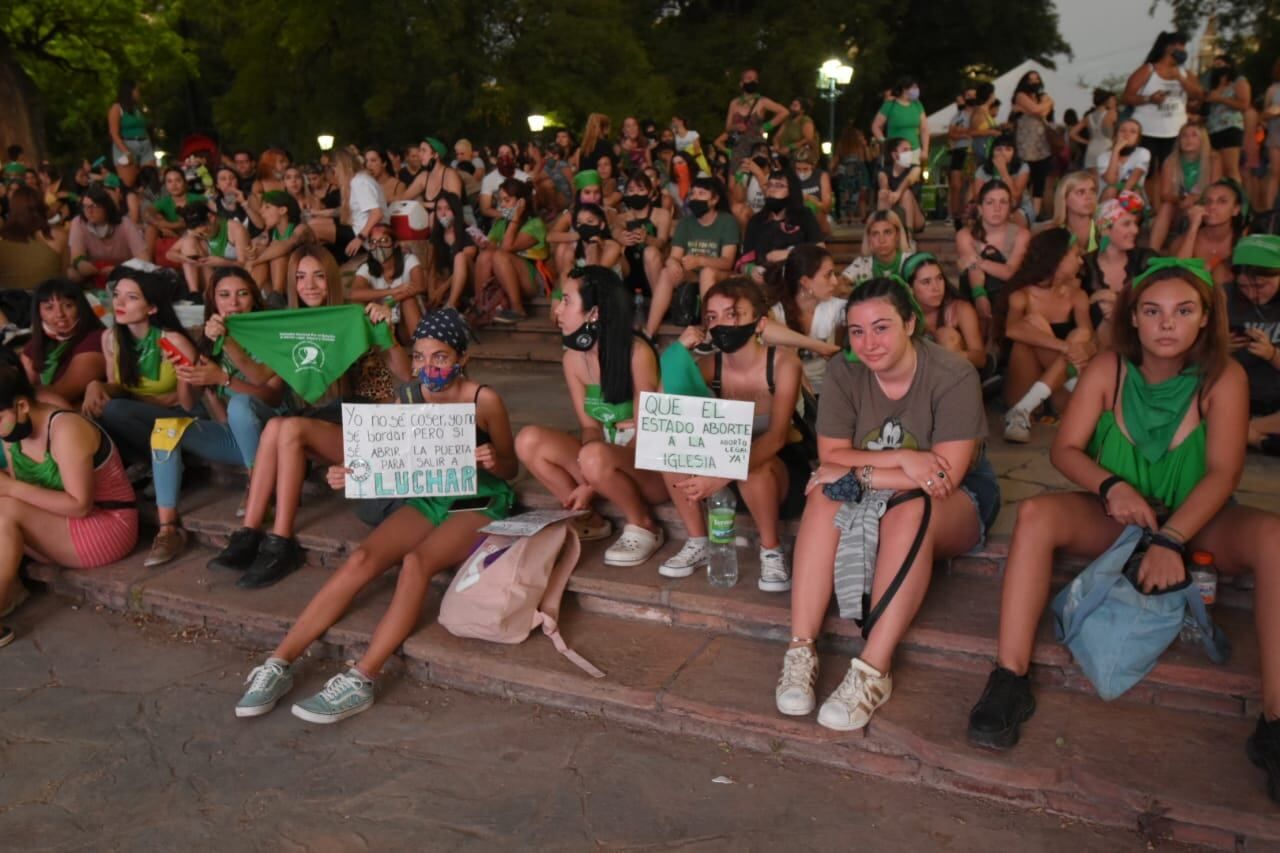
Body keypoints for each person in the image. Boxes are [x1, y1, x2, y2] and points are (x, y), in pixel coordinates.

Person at [964, 258, 1280, 807]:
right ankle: (1009, 677)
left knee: (1274, 538)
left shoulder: (1223, 376)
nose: (1167, 324)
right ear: (1132, 317)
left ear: (1205, 318)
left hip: (1195, 517)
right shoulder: (1108, 368)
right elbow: (1065, 448)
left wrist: (1171, 538)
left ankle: (1276, 720)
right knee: (1036, 516)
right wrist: (1111, 486)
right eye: (1152, 311)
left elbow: (1225, 471)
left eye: (1184, 311)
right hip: (1116, 514)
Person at [232, 308, 519, 724]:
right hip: (432, 496)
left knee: (417, 564)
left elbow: (511, 468)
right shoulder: (407, 397)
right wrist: (351, 475)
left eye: (439, 358)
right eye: (419, 357)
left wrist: (494, 459)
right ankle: (279, 661)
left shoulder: (483, 399)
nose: (427, 367)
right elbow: (391, 462)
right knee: (361, 559)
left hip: (478, 500)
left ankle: (362, 677)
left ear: (461, 359)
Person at [778, 276, 998, 730]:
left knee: (910, 503)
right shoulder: (845, 369)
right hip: (887, 483)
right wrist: (902, 458)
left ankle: (874, 670)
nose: (868, 343)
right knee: (824, 493)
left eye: (881, 327)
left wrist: (863, 471)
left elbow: (942, 476)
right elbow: (831, 458)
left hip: (957, 500)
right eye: (857, 332)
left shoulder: (952, 374)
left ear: (910, 323)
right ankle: (800, 650)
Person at [205, 246, 407, 588]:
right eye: (300, 277)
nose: (309, 285)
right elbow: (258, 375)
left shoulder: (356, 315)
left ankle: (282, 541)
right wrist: (226, 341)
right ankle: (249, 532)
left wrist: (387, 333)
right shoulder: (295, 325)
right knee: (278, 426)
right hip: (331, 418)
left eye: (317, 276)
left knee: (291, 427)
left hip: (375, 423)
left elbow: (406, 375)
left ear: (331, 279)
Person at [659, 278, 804, 590]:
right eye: (712, 317)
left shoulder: (782, 363)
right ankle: (698, 541)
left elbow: (777, 437)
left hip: (774, 472)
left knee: (757, 469)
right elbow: (666, 414)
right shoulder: (709, 367)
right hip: (720, 476)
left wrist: (722, 474)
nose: (721, 323)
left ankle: (771, 550)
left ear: (760, 322)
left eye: (733, 314)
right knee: (671, 452)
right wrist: (678, 352)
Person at [516, 267, 668, 564]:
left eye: (567, 301)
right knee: (528, 440)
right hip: (602, 460)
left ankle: (644, 524)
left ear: (593, 312)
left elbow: (648, 434)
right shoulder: (572, 359)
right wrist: (589, 471)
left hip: (648, 466)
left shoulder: (637, 353)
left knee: (595, 456)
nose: (558, 310)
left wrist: (590, 479)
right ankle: (590, 520)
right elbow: (590, 428)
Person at [144, 268, 286, 566]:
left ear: (254, 299)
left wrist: (223, 379)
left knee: (240, 405)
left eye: (242, 294)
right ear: (213, 302)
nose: (233, 303)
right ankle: (169, 527)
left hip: (273, 435)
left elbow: (273, 396)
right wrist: (187, 369)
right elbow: (186, 402)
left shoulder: (271, 333)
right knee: (166, 428)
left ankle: (256, 486)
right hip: (235, 437)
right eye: (224, 295)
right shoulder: (209, 338)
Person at [0, 363, 138, 636]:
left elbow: (79, 505)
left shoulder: (65, 429)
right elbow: (26, 491)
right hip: (61, 527)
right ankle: (10, 588)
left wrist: (10, 488)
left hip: (106, 526)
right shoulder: (12, 430)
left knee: (6, 507)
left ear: (23, 407)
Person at [80, 267, 200, 464]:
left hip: (178, 416)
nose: (119, 302)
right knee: (92, 412)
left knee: (115, 410)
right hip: (137, 412)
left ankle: (173, 462)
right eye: (117, 295)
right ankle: (137, 466)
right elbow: (116, 388)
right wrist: (95, 385)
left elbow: (193, 401)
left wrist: (138, 401)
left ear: (152, 307)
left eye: (132, 297)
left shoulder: (173, 341)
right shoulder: (110, 338)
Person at [1001, 229, 1095, 443]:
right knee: (1032, 326)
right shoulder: (1022, 295)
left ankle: (1022, 410)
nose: (1081, 262)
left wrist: (1082, 347)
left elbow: (1092, 341)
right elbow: (1012, 330)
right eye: (1076, 256)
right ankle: (1024, 408)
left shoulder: (1077, 296)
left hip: (1063, 390)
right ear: (1058, 259)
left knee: (1080, 333)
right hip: (1024, 383)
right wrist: (1063, 347)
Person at [645, 176, 739, 338]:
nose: (695, 198)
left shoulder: (727, 221)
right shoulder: (686, 223)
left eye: (701, 194)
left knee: (707, 272)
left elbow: (727, 262)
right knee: (666, 273)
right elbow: (674, 256)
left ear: (714, 199)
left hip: (719, 273)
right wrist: (673, 263)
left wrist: (700, 260)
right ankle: (649, 333)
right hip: (692, 273)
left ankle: (711, 334)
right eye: (693, 194)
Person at [1123, 31, 1202, 210]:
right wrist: (1149, 99)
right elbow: (1126, 96)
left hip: (1175, 131)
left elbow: (1198, 94)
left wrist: (1180, 78)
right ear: (1167, 47)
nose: (1182, 50)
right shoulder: (1148, 70)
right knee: (1149, 172)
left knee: (1171, 172)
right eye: (1178, 45)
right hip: (1148, 129)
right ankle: (1153, 209)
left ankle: (1169, 209)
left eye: (1183, 46)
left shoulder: (1184, 73)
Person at [1224, 235, 1280, 450]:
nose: (1252, 294)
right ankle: (1256, 438)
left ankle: (1244, 431)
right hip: (1237, 396)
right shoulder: (1225, 296)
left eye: (1261, 285)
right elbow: (1195, 361)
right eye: (1244, 287)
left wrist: (1272, 354)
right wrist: (1222, 350)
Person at [765, 244, 846, 392]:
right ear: (805, 282)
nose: (835, 281)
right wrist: (819, 346)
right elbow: (762, 328)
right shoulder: (776, 313)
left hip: (829, 391)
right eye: (828, 275)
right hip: (788, 391)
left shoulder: (836, 308)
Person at [1082, 193, 1155, 350]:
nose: (1135, 230)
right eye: (1126, 224)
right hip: (1096, 345)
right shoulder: (1084, 265)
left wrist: (1118, 304)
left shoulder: (1145, 259)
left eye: (1135, 224)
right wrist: (1091, 299)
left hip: (1141, 342)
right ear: (1105, 230)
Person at [956, 180, 1031, 331]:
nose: (997, 208)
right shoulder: (965, 235)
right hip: (973, 291)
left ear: (1010, 208)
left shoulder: (1022, 235)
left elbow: (1010, 272)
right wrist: (979, 294)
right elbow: (973, 269)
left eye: (1003, 202)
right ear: (980, 208)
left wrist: (978, 261)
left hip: (1008, 295)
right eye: (990, 202)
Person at [473, 177, 548, 325]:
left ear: (521, 202)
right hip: (505, 276)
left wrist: (516, 218)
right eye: (500, 201)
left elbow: (507, 248)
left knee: (500, 256)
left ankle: (517, 309)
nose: (502, 205)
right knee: (485, 256)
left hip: (533, 280)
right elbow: (493, 247)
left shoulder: (535, 224)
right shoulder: (501, 223)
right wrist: (483, 244)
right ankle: (480, 307)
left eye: (506, 200)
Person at [20, 278, 106, 407]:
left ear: (81, 307)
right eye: (49, 308)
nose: (59, 314)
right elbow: (20, 386)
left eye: (68, 306)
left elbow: (62, 393)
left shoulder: (96, 340)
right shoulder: (36, 344)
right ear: (39, 313)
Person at [740, 171, 822, 286]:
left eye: (779, 186)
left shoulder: (804, 216)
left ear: (791, 191)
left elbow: (820, 250)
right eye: (769, 185)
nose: (772, 190)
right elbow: (744, 262)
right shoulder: (756, 221)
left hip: (797, 279)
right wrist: (751, 270)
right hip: (764, 280)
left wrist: (788, 254)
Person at [906, 251, 985, 369]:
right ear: (910, 288)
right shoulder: (903, 314)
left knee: (947, 336)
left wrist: (950, 355)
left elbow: (981, 359)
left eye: (939, 278)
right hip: (918, 378)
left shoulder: (960, 309)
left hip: (956, 375)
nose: (936, 288)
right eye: (926, 282)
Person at [349, 223, 426, 340]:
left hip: (405, 323)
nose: (378, 246)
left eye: (383, 240)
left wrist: (390, 302)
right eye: (373, 242)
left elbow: (419, 285)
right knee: (357, 304)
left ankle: (420, 346)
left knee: (408, 299)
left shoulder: (409, 259)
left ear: (395, 244)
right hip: (381, 323)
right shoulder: (366, 267)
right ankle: (364, 347)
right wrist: (393, 290)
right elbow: (354, 294)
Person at [1149, 123, 1218, 252]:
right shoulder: (1170, 161)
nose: (1188, 139)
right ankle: (1151, 252)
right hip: (1180, 206)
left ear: (1203, 140)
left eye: (1194, 136)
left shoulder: (1213, 159)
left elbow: (1216, 190)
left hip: (1205, 206)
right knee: (1165, 207)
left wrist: (1195, 198)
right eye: (1184, 136)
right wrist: (1181, 199)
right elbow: (1165, 194)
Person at [67, 187, 147, 286]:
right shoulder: (78, 222)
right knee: (72, 274)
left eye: (94, 206)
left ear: (106, 207)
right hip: (94, 273)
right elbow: (76, 256)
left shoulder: (124, 223)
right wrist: (81, 264)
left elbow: (144, 258)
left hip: (123, 273)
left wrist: (120, 269)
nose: (89, 211)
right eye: (85, 206)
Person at [169, 203, 253, 297]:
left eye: (206, 231)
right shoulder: (196, 231)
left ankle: (209, 293)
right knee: (189, 242)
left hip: (233, 276)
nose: (204, 236)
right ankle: (194, 294)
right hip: (210, 276)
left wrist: (223, 262)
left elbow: (245, 264)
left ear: (211, 217)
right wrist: (186, 259)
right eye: (200, 234)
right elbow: (170, 254)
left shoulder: (235, 229)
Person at [1173, 180, 1245, 288]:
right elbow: (1177, 273)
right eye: (1207, 201)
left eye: (1222, 201)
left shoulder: (1243, 241)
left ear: (1236, 210)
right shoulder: (1184, 240)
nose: (1212, 206)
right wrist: (1193, 226)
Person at [244, 190, 316, 297]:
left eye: (267, 207)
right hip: (285, 284)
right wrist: (252, 256)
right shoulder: (271, 233)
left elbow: (287, 245)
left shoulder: (301, 229)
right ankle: (251, 296)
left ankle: (277, 297)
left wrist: (255, 261)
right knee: (262, 250)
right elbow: (253, 250)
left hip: (305, 280)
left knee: (278, 254)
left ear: (282, 210)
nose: (261, 211)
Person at [615, 172, 672, 300]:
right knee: (613, 250)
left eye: (641, 190)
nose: (635, 194)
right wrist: (619, 236)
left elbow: (662, 243)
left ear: (650, 192)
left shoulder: (661, 214)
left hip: (655, 268)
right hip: (630, 269)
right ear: (626, 194)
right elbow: (615, 231)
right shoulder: (621, 218)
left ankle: (660, 303)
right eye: (631, 190)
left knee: (650, 252)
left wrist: (647, 239)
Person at [0, 185, 66, 291]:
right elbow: (65, 275)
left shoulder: (3, 237)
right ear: (41, 206)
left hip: (8, 303)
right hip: (47, 302)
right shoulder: (59, 236)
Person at [1010, 70, 1056, 217]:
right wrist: (1046, 104)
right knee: (1023, 181)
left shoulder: (1041, 96)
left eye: (1037, 79)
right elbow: (1039, 110)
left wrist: (1030, 109)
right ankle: (1021, 213)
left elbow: (1040, 112)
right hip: (1026, 146)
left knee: (1040, 182)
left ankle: (1034, 215)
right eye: (1031, 79)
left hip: (1042, 145)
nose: (1034, 82)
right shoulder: (1021, 96)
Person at [723, 69, 789, 171]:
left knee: (753, 178)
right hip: (738, 146)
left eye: (755, 79)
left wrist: (765, 127)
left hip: (755, 147)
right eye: (749, 78)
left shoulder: (762, 101)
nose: (752, 81)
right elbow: (727, 127)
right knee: (733, 183)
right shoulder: (734, 103)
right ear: (741, 83)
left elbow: (784, 112)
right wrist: (736, 126)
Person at [1204, 55, 1252, 186]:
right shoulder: (1213, 86)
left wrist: (1220, 99)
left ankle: (1237, 199)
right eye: (1215, 65)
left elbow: (1244, 104)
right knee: (1216, 169)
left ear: (1229, 65)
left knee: (1231, 168)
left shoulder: (1238, 81)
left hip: (1230, 127)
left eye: (1220, 64)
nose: (1217, 68)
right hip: (1212, 129)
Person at [333, 148, 387, 259]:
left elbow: (377, 213)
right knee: (316, 224)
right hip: (358, 228)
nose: (334, 171)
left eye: (335, 166)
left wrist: (360, 238)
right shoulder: (357, 180)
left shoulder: (360, 182)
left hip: (366, 234)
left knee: (315, 227)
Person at [144, 166, 207, 264]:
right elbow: (147, 213)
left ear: (185, 183)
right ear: (165, 185)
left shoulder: (198, 199)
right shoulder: (165, 201)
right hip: (174, 234)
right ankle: (149, 263)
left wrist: (166, 226)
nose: (174, 185)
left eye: (178, 180)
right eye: (169, 181)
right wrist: (173, 225)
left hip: (195, 235)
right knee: (151, 228)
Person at [425, 191, 476, 310]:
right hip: (447, 281)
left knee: (460, 257)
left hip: (469, 281)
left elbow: (466, 263)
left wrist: (441, 290)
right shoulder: (436, 236)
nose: (443, 213)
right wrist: (432, 290)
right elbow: (431, 267)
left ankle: (450, 306)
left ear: (455, 210)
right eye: (439, 209)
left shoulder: (469, 231)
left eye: (447, 209)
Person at [841, 210, 912, 286]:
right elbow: (839, 286)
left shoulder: (910, 262)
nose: (881, 240)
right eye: (875, 234)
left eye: (887, 232)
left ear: (897, 235)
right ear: (869, 238)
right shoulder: (862, 263)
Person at [107, 80, 155, 188]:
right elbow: (114, 133)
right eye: (137, 90)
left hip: (144, 145)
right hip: (127, 145)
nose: (139, 93)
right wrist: (126, 152)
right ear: (130, 91)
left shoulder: (137, 109)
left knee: (151, 179)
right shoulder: (116, 108)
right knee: (129, 183)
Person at [872, 77, 929, 168]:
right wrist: (884, 142)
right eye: (914, 87)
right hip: (895, 152)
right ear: (905, 89)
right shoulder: (890, 104)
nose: (917, 90)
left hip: (914, 151)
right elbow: (876, 126)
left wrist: (925, 150)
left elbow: (924, 129)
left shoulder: (917, 104)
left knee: (913, 179)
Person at [1096, 118, 1151, 204]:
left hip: (1131, 195)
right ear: (1115, 135)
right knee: (1111, 189)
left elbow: (1133, 180)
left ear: (1138, 138)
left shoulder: (1143, 152)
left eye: (1133, 132)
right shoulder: (1103, 156)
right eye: (1122, 131)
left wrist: (1120, 202)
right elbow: (1111, 181)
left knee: (1133, 191)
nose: (1127, 134)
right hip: (1108, 196)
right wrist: (1115, 151)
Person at [876, 138, 925, 232]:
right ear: (895, 155)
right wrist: (887, 193)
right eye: (905, 150)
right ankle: (882, 232)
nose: (909, 153)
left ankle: (908, 239)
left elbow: (909, 179)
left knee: (906, 193)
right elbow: (883, 182)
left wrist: (898, 193)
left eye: (910, 150)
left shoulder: (915, 169)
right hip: (893, 213)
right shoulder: (884, 171)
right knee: (883, 194)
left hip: (915, 217)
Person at [1045, 170, 1099, 252]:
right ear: (1064, 198)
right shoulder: (1052, 234)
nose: (1089, 197)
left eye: (1092, 191)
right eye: (1081, 192)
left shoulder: (1105, 230)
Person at [948, 87, 977, 230]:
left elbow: (977, 131)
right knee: (956, 185)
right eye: (968, 95)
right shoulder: (958, 116)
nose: (971, 97)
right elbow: (951, 133)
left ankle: (970, 216)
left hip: (973, 151)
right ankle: (956, 217)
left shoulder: (980, 114)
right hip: (959, 151)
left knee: (972, 184)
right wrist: (965, 133)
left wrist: (962, 132)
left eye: (973, 95)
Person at [478, 143, 530, 221]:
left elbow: (532, 203)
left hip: (524, 218)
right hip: (501, 220)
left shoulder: (525, 177)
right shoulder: (488, 179)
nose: (504, 157)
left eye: (508, 153)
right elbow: (485, 209)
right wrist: (506, 214)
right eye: (501, 153)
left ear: (514, 158)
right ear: (496, 159)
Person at [1072, 90, 1118, 173]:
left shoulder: (1088, 117)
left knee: (1093, 179)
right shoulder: (1111, 114)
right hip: (1106, 148)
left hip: (1091, 148)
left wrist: (1086, 142)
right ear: (1106, 101)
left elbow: (1072, 133)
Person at [793, 152, 834, 236]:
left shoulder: (821, 176)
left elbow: (827, 208)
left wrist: (810, 199)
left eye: (805, 169)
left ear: (812, 166)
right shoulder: (791, 177)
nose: (802, 172)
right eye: (798, 169)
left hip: (820, 217)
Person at [774, 98, 820, 163]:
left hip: (799, 155)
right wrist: (776, 144)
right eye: (792, 105)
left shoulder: (805, 120)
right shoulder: (787, 121)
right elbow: (777, 136)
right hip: (783, 153)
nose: (791, 108)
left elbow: (808, 139)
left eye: (795, 106)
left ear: (802, 110)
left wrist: (790, 147)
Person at [1264, 60, 1280, 213]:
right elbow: (1264, 115)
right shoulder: (1273, 90)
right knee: (1274, 173)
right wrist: (1270, 114)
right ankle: (1269, 212)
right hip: (1276, 135)